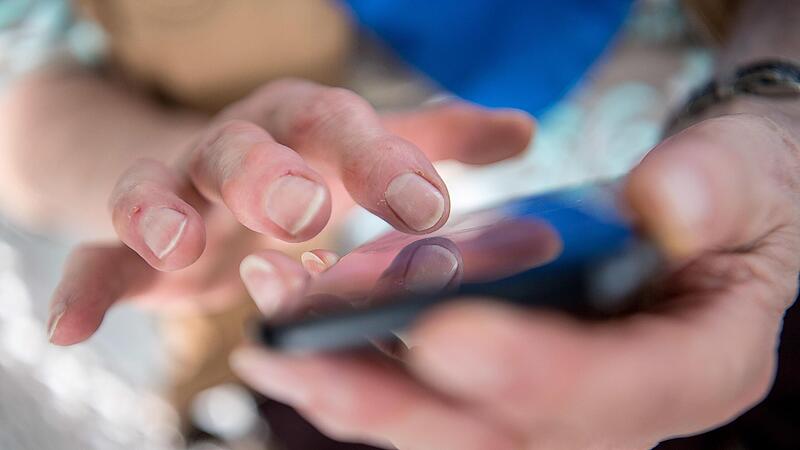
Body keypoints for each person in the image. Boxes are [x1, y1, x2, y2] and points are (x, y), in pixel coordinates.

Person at [1, 1, 798, 449]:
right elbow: (20, 101)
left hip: (746, 206)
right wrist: (202, 171)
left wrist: (776, 103)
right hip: (315, 342)